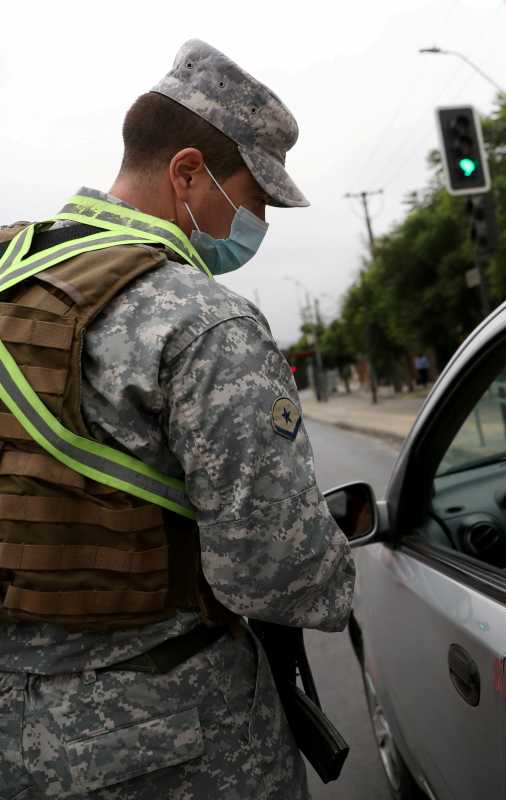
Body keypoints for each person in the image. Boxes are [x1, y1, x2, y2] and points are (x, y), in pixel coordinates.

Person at [0, 41, 354, 799]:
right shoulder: (200, 322)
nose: (256, 226)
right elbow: (278, 575)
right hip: (170, 748)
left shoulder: (7, 280)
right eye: (254, 203)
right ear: (187, 172)